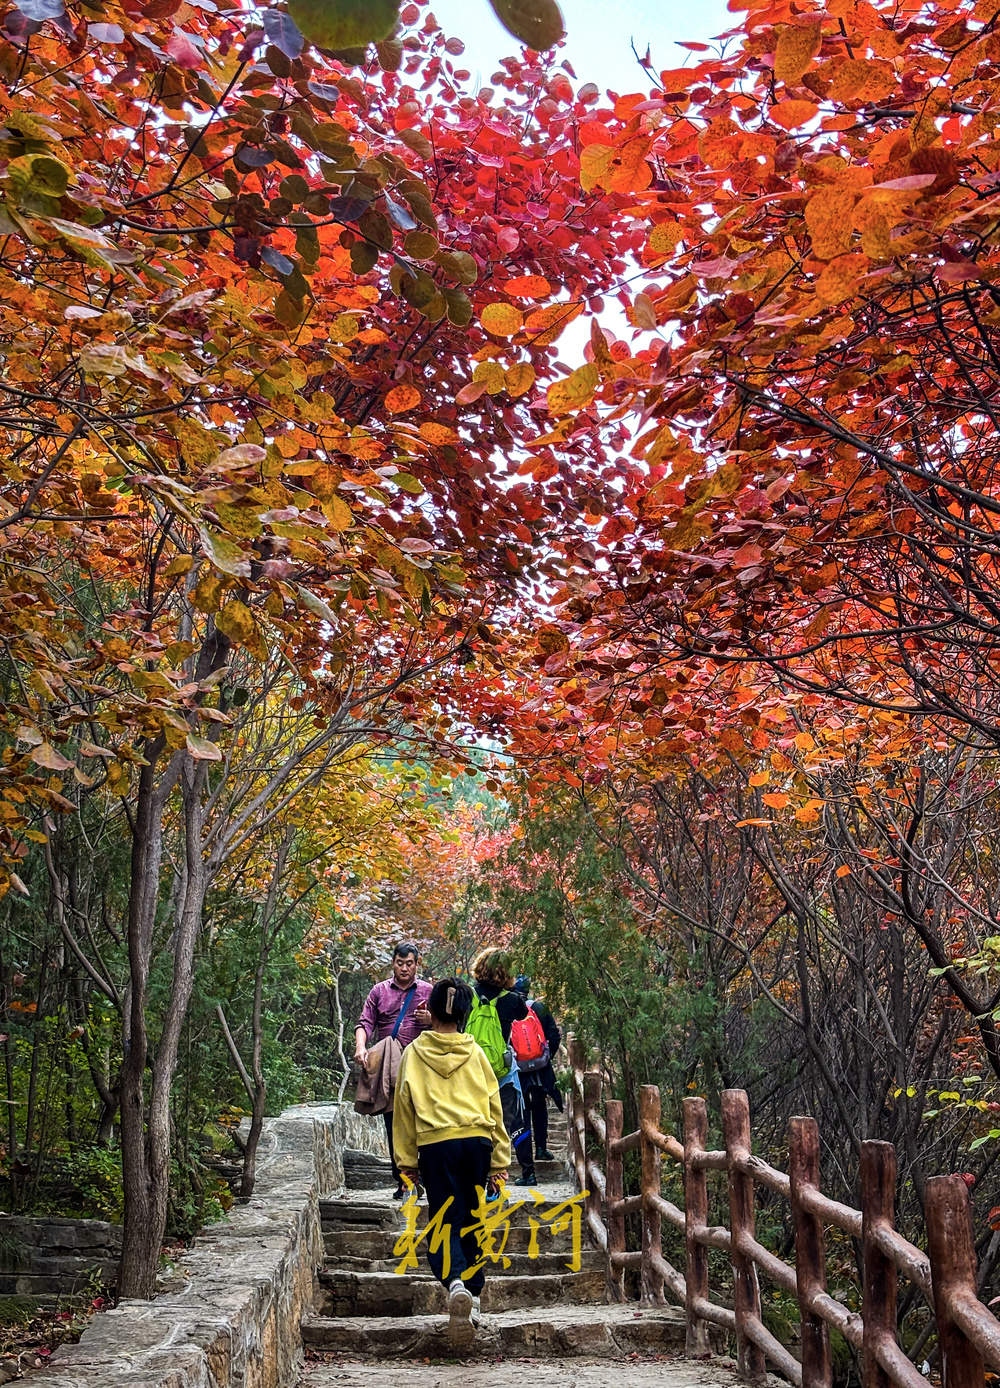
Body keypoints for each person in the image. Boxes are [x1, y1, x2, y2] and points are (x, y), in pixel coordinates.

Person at [393, 977, 510, 1334]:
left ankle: (456, 1282)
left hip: (435, 1143)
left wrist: (406, 1163)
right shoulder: (475, 1053)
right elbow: (495, 1107)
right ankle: (473, 1296)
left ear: (430, 1010)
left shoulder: (414, 1053)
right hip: (476, 1142)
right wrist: (500, 1161)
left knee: (445, 1216)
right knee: (472, 1215)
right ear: (465, 1013)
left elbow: (403, 1108)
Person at [355, 942, 432, 1198]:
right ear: (393, 963)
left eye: (409, 963)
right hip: (389, 1067)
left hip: (421, 1065)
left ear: (416, 963)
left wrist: (430, 1020)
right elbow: (365, 1022)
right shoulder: (379, 991)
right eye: (400, 963)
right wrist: (361, 1047)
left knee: (424, 1123)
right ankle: (403, 1180)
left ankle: (424, 1176)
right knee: (394, 1124)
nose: (404, 969)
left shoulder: (428, 991)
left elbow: (449, 1023)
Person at [469, 947, 535, 1186]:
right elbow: (523, 1012)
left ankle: (475, 1175)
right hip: (501, 1073)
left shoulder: (468, 996)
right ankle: (496, 1176)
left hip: (470, 1071)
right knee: (502, 1126)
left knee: (474, 1125)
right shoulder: (512, 1001)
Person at [513, 974, 563, 1165]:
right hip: (540, 1073)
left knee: (522, 1112)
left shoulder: (508, 1006)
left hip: (518, 1071)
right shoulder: (539, 1008)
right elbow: (555, 1036)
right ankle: (541, 1148)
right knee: (540, 1107)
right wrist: (545, 1058)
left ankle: (525, 1161)